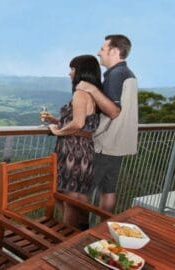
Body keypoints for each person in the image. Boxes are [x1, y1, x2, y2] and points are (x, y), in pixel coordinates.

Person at [76, 35, 138, 214]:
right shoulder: (128, 74)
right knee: (108, 190)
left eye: (102, 49)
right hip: (118, 145)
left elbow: (113, 111)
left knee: (82, 193)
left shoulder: (116, 75)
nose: (98, 53)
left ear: (115, 51)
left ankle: (82, 234)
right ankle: (104, 230)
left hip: (105, 144)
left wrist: (92, 89)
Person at [40, 55, 101, 228]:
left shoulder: (81, 94)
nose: (69, 73)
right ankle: (81, 233)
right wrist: (55, 120)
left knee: (68, 199)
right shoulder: (94, 94)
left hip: (74, 152)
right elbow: (83, 123)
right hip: (84, 150)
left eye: (72, 69)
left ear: (81, 71)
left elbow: (78, 123)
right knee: (76, 196)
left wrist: (57, 131)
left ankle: (67, 238)